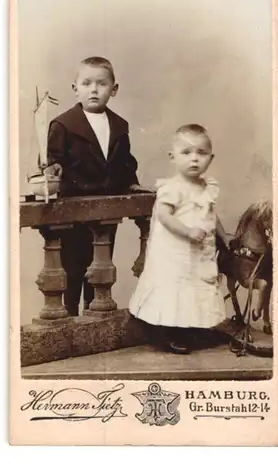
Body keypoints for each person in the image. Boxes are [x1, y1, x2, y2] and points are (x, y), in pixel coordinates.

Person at [45, 56, 151, 316]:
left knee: (99, 269)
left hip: (106, 211)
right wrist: (52, 169)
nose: (94, 89)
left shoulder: (119, 126)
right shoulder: (63, 125)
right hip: (73, 213)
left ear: (113, 89)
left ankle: (94, 321)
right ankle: (68, 323)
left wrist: (132, 185)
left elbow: (126, 164)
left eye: (101, 84)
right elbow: (53, 160)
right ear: (75, 88)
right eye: (87, 83)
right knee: (71, 270)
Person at [129, 124, 229, 354]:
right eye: (186, 153)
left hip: (198, 251)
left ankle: (196, 329)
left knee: (197, 286)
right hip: (175, 251)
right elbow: (164, 216)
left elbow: (210, 215)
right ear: (172, 157)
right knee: (174, 287)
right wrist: (187, 231)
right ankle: (168, 333)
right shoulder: (173, 187)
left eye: (201, 153)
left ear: (211, 158)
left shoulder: (206, 187)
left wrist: (224, 236)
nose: (194, 159)